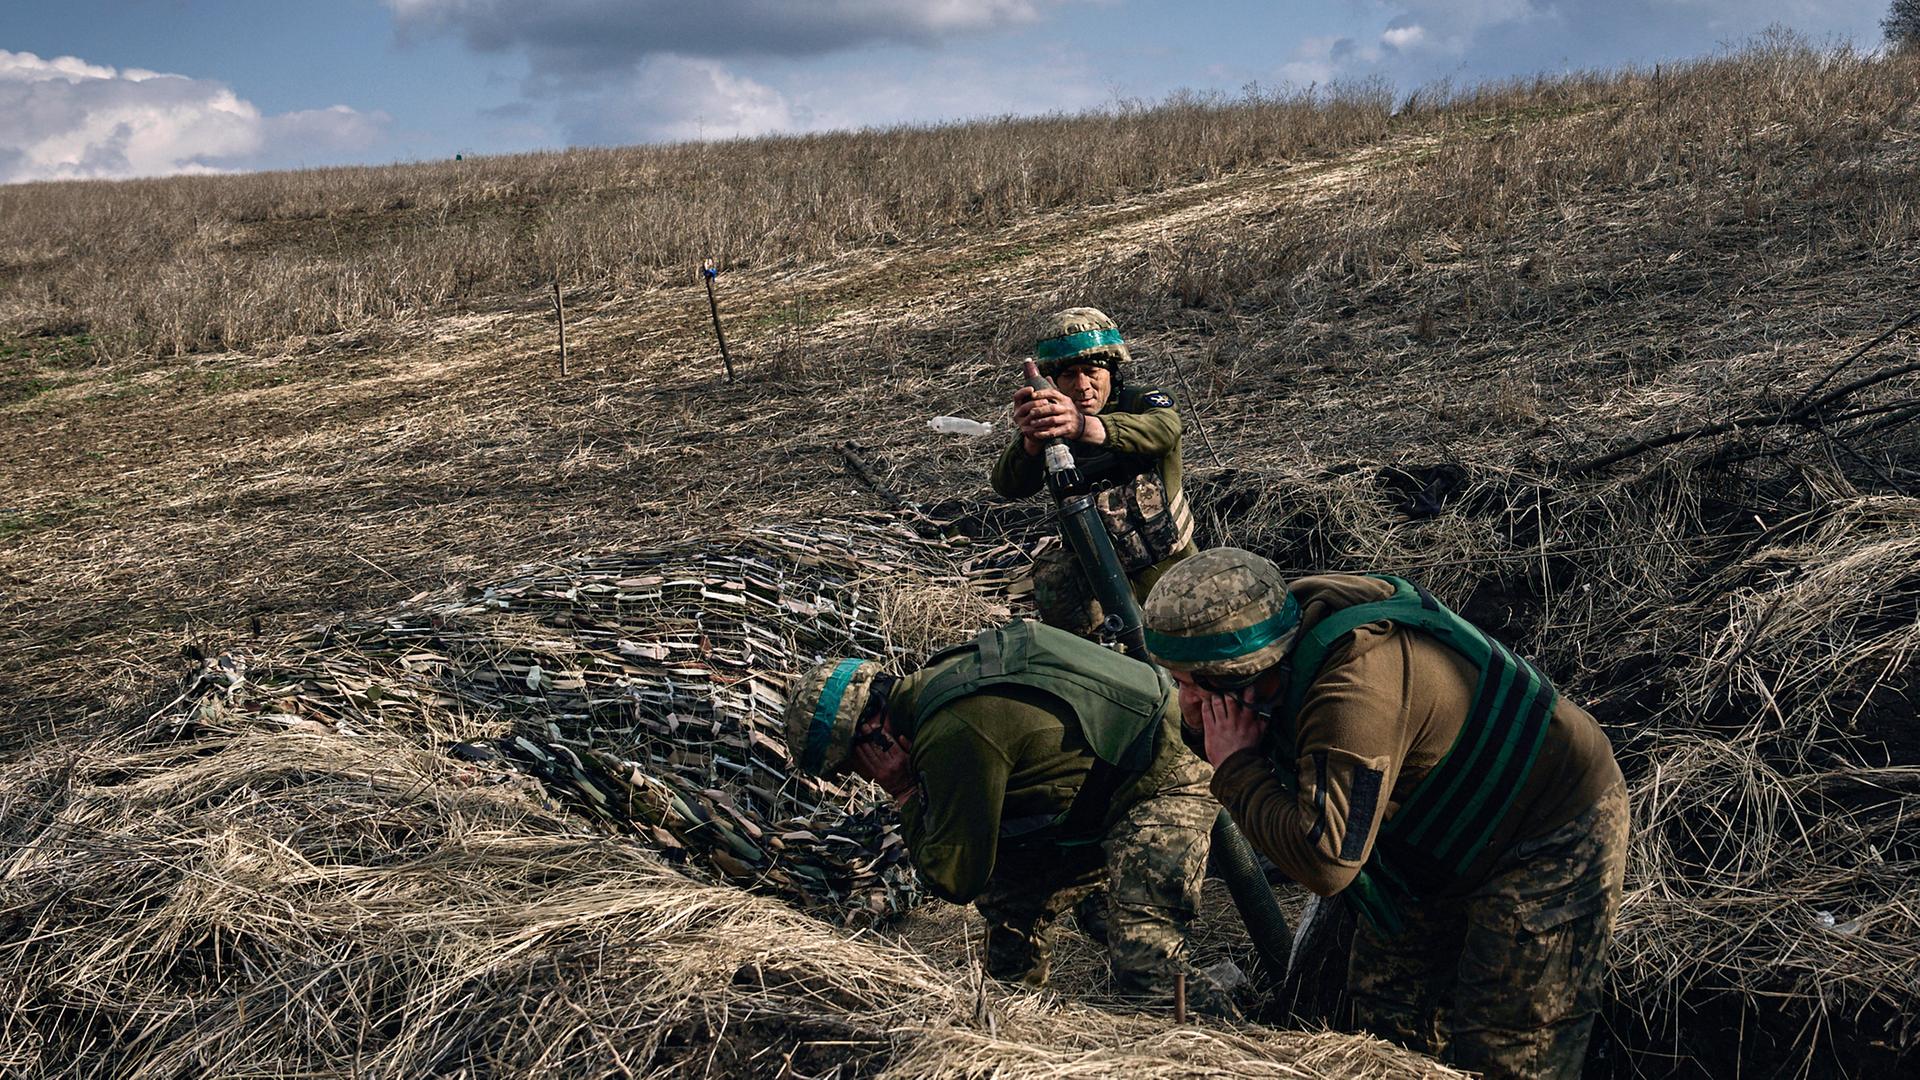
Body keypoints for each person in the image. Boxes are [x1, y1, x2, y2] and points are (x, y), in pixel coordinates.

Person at [1141, 548, 1628, 1079]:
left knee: (1512, 1047)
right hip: (1437, 834)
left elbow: (1325, 864)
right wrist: (1216, 736)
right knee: (1390, 1021)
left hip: (1548, 829)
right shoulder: (1276, 629)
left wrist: (1236, 768)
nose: (1183, 702)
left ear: (1243, 678)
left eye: (1190, 685)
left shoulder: (1353, 696)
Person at [782, 618, 1233, 1015]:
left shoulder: (949, 733)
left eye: (848, 766)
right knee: (1011, 909)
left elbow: (954, 877)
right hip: (1109, 779)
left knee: (1143, 960)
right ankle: (1018, 1024)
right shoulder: (939, 683)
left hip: (1163, 775)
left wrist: (904, 792)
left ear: (869, 734)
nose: (860, 777)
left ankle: (1228, 1047)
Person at [991, 307, 1196, 635]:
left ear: (1112, 372)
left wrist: (1084, 426)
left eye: (1091, 371)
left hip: (1169, 574)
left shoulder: (1143, 402)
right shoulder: (1051, 427)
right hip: (1096, 582)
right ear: (1054, 382)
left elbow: (1163, 430)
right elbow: (1008, 485)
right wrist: (1031, 441)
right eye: (1070, 376)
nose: (1082, 386)